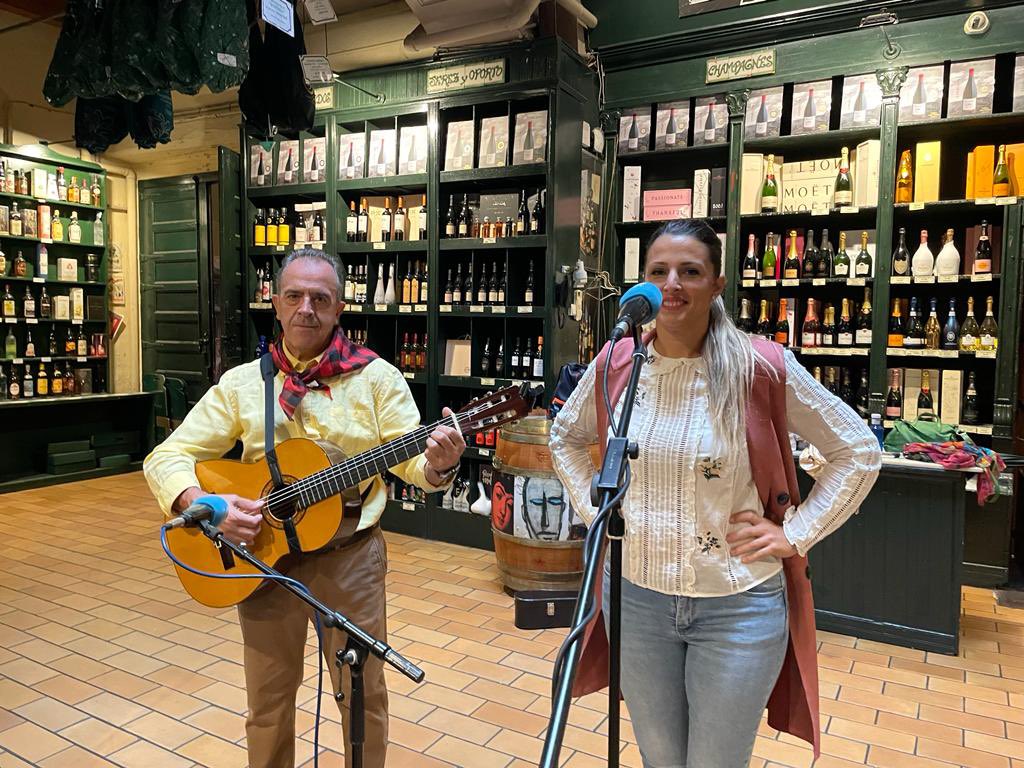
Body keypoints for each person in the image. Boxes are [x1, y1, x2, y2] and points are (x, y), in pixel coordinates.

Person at [549, 220, 881, 767]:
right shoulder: (618, 364)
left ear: (718, 284)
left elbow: (859, 452)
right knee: (659, 758)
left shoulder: (759, 366)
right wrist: (598, 510)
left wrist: (795, 533)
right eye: (659, 272)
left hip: (738, 607)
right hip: (635, 600)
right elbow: (564, 435)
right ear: (645, 284)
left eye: (690, 271)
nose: (673, 284)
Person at [143, 248, 465, 768]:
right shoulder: (244, 384)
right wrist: (202, 502)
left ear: (341, 309)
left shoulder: (377, 379)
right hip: (264, 557)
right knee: (267, 702)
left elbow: (412, 466)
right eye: (294, 295)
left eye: (321, 298)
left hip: (350, 557)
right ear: (275, 302)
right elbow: (167, 454)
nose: (306, 309)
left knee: (362, 699)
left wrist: (439, 466)